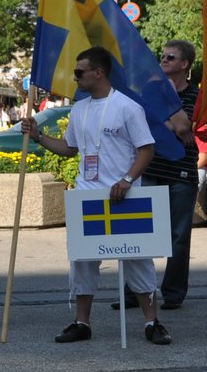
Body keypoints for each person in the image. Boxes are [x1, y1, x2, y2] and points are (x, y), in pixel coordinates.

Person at [24, 47, 173, 345]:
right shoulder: (79, 109)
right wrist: (39, 136)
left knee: (137, 258)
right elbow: (70, 149)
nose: (75, 77)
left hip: (126, 197)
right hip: (88, 196)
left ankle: (152, 322)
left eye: (79, 72)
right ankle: (82, 322)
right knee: (82, 260)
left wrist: (128, 179)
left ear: (98, 72)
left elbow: (147, 150)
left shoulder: (127, 107)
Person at [120, 39, 205, 311]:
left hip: (181, 172)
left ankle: (173, 293)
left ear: (185, 64)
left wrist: (168, 124)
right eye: (162, 56)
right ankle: (136, 291)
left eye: (170, 57)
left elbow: (186, 127)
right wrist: (170, 124)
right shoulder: (150, 91)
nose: (164, 60)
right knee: (140, 232)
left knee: (178, 236)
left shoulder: (195, 94)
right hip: (151, 168)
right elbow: (145, 123)